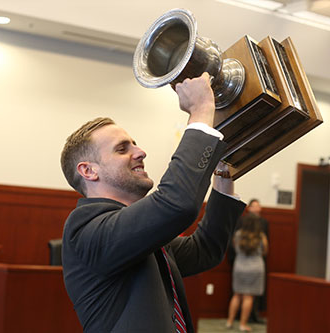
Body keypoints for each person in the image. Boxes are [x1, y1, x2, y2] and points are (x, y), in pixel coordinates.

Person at [60, 72, 246, 332]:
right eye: (122, 148)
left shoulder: (138, 234)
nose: (141, 152)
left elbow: (205, 250)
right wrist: (200, 111)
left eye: (134, 144)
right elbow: (176, 203)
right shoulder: (85, 229)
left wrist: (224, 174)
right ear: (89, 171)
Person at [226, 214, 268, 332]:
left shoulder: (238, 235)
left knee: (237, 294)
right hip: (256, 268)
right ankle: (243, 324)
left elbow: (234, 248)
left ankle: (229, 321)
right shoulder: (261, 236)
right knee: (248, 296)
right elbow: (265, 251)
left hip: (239, 266)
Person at [246, 199, 269, 323]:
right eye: (253, 206)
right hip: (245, 261)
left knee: (254, 293)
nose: (256, 208)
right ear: (249, 208)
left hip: (255, 261)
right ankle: (244, 317)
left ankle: (254, 315)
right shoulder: (241, 222)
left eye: (258, 206)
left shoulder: (264, 223)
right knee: (244, 293)